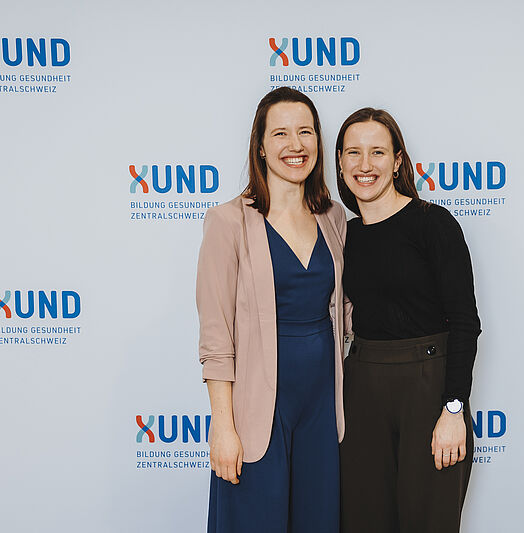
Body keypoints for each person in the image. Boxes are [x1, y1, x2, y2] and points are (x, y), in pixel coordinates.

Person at [196, 87, 348, 533]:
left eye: (306, 132)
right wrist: (223, 427)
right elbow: (216, 335)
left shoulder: (334, 217)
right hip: (256, 412)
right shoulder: (228, 221)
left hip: (321, 409)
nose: (295, 145)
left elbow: (346, 311)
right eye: (280, 133)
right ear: (260, 146)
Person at [336, 108, 481, 533]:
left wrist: (453, 409)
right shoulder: (343, 235)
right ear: (340, 163)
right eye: (353, 153)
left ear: (398, 161)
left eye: (378, 152)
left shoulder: (433, 224)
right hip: (362, 391)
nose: (365, 165)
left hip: (429, 389)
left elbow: (465, 322)